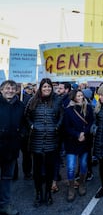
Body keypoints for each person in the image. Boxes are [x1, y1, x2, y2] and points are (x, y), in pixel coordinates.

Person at [25, 78, 63, 207]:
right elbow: (26, 115)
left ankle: (48, 194)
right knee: (37, 171)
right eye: (44, 86)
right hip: (36, 140)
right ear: (41, 88)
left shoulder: (57, 100)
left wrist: (56, 126)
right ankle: (38, 194)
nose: (47, 88)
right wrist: (31, 126)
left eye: (49, 86)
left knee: (49, 170)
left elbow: (61, 116)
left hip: (52, 141)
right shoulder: (33, 100)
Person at [63, 89, 94, 202]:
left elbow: (91, 122)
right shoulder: (68, 110)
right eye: (78, 96)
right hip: (72, 141)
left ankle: (81, 183)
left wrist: (84, 133)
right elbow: (66, 127)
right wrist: (77, 134)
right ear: (73, 98)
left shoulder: (89, 108)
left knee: (83, 164)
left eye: (82, 95)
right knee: (71, 167)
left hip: (85, 141)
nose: (81, 97)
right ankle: (71, 187)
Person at [0, 80, 25, 215]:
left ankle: (4, 205)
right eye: (7, 88)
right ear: (1, 90)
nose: (10, 90)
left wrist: (21, 135)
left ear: (16, 91)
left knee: (7, 178)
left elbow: (24, 124)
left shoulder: (20, 105)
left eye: (12, 88)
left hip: (12, 148)